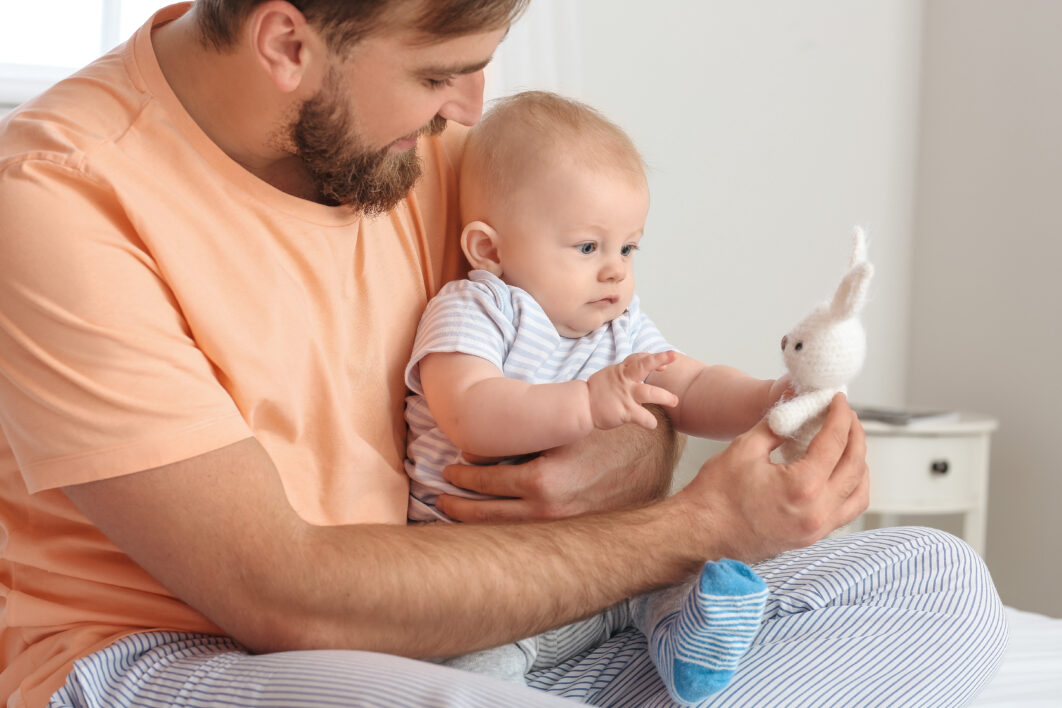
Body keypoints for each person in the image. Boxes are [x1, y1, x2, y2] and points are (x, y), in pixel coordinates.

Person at [0, 2, 1006, 707]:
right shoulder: (58, 198)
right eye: (441, 73)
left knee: (934, 587)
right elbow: (278, 591)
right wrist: (695, 525)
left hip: (483, 620)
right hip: (187, 657)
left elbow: (604, 370)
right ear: (285, 42)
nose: (471, 106)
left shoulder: (416, 146)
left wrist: (637, 452)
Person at [404, 91, 789, 704]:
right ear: (491, 250)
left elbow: (686, 385)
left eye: (628, 248)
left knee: (672, 569)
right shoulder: (478, 308)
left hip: (599, 565)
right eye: (588, 248)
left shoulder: (620, 323)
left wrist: (768, 399)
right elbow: (470, 412)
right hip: (483, 576)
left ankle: (688, 640)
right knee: (475, 657)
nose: (615, 270)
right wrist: (583, 405)